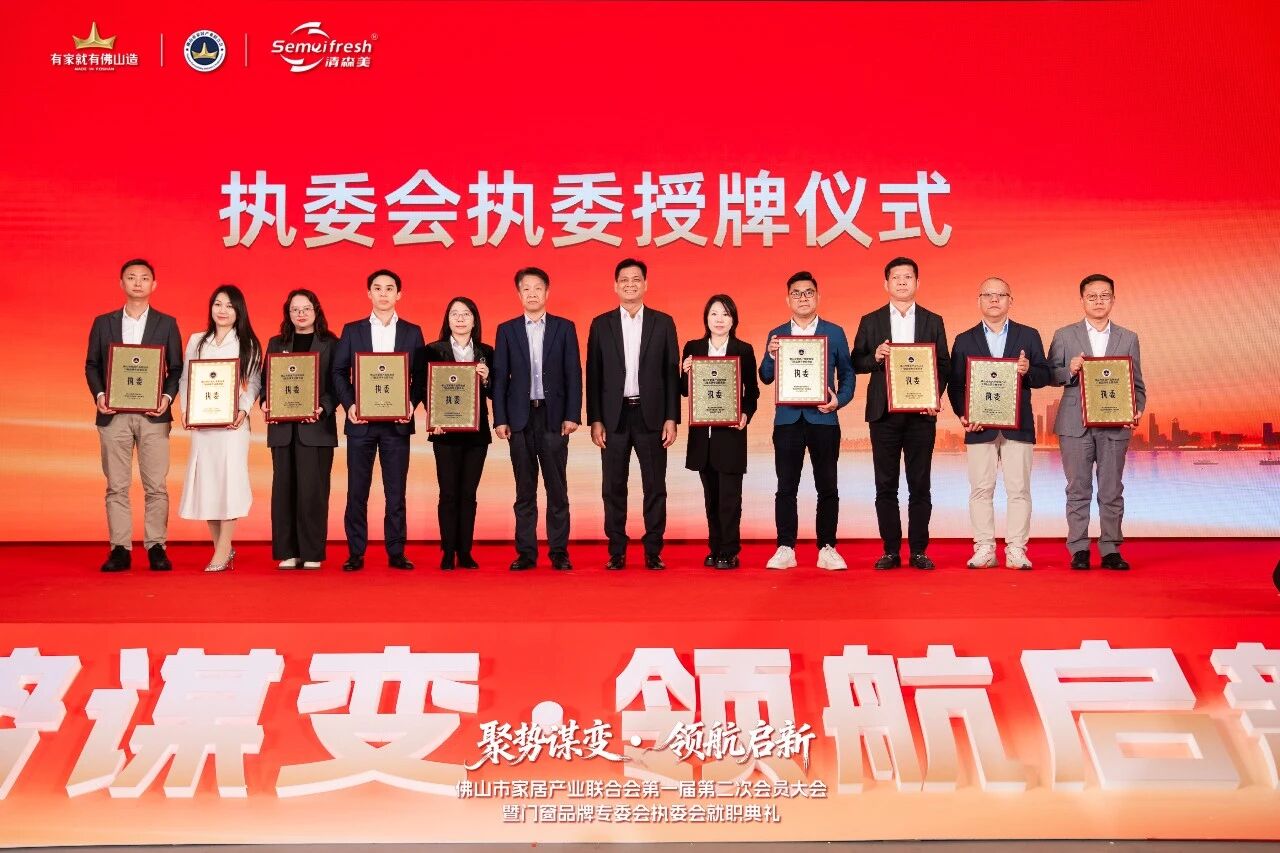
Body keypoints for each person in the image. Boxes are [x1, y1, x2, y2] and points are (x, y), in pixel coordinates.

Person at [852, 257, 951, 570]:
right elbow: (856, 361)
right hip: (883, 414)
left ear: (917, 282)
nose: (902, 282)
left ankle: (919, 550)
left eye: (908, 277)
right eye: (896, 277)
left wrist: (934, 396)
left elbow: (944, 364)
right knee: (886, 484)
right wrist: (875, 356)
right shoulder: (871, 320)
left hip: (921, 413)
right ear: (886, 283)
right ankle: (891, 550)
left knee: (920, 484)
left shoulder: (933, 320)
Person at [85, 259, 183, 572]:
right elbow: (92, 364)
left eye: (144, 278)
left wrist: (166, 398)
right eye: (131, 277)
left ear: (154, 285)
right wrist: (100, 396)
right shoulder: (104, 323)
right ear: (121, 283)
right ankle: (119, 549)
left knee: (156, 486)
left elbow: (176, 368)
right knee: (116, 485)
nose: (138, 283)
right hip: (113, 414)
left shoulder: (167, 323)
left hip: (154, 415)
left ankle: (156, 547)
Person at [947, 278, 1051, 570]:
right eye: (988, 295)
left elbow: (1044, 375)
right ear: (979, 300)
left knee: (1019, 490)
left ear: (1010, 300)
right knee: (981, 490)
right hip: (979, 427)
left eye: (1001, 295)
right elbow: (955, 384)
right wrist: (963, 414)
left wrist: (1029, 369)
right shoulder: (964, 339)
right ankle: (984, 548)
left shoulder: (1028, 335)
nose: (994, 300)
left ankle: (1016, 549)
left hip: (1018, 426)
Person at [585, 258, 680, 570]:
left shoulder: (663, 323)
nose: (630, 284)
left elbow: (671, 374)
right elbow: (593, 375)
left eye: (636, 279)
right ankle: (617, 551)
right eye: (624, 280)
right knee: (613, 487)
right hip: (614, 418)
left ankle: (653, 550)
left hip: (652, 416)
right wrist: (595, 419)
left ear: (645, 284)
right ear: (615, 286)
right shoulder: (601, 324)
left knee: (655, 486)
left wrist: (671, 417)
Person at [1048, 273, 1146, 570]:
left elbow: (1137, 384)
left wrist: (1136, 409)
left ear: (1113, 299)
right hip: (1074, 424)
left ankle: (1111, 549)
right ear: (1082, 300)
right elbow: (1049, 375)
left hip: (1115, 423)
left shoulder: (1128, 337)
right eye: (1092, 296)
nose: (1098, 301)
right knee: (1077, 489)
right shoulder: (1064, 335)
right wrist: (1069, 369)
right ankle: (1079, 549)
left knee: (1111, 489)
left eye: (1105, 296)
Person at [759, 272, 855, 570]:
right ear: (788, 299)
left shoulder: (834, 332)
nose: (803, 298)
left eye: (809, 292)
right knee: (786, 487)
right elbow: (765, 376)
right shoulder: (777, 334)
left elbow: (848, 373)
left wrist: (839, 400)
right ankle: (785, 547)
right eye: (797, 293)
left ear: (818, 297)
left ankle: (827, 547)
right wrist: (771, 355)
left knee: (827, 486)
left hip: (823, 419)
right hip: (787, 421)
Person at [331, 269, 425, 572]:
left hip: (397, 424)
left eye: (389, 288)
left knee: (395, 492)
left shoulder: (412, 332)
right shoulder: (352, 330)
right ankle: (355, 552)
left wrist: (410, 403)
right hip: (361, 423)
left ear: (399, 294)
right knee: (357, 490)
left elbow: (421, 376)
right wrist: (350, 404)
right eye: (377, 288)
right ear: (368, 293)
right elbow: (338, 371)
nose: (383, 293)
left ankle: (396, 551)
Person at [493, 267, 582, 572]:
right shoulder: (507, 330)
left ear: (547, 292)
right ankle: (526, 553)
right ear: (519, 294)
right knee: (524, 490)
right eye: (526, 288)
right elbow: (500, 378)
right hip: (519, 419)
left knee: (557, 489)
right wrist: (500, 418)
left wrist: (572, 414)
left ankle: (559, 552)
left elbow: (573, 374)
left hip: (554, 417)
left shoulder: (564, 328)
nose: (532, 293)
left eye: (538, 288)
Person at [177, 285, 263, 573]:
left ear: (239, 311)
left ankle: (223, 549)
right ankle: (222, 548)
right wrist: (186, 410)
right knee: (208, 484)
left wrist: (242, 409)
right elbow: (186, 379)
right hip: (203, 425)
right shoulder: (197, 340)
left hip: (232, 426)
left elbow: (254, 382)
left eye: (229, 305)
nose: (222, 310)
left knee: (229, 483)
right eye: (217, 304)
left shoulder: (248, 343)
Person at [681, 294, 760, 569]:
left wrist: (745, 414)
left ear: (733, 319)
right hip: (703, 437)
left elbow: (753, 392)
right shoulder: (693, 347)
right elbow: (684, 391)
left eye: (725, 314)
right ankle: (714, 548)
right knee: (711, 497)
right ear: (706, 318)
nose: (719, 319)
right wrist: (686, 372)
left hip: (731, 435)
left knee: (729, 498)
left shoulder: (743, 350)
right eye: (714, 313)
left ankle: (729, 550)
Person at [262, 289, 338, 569]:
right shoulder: (276, 343)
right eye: (295, 309)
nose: (301, 314)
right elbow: (266, 381)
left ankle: (312, 552)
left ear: (316, 310)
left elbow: (338, 383)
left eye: (306, 308)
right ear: (288, 313)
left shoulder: (331, 343)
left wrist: (323, 407)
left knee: (312, 491)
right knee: (284, 491)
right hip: (283, 429)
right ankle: (288, 551)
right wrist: (266, 401)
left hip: (316, 428)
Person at [423, 297, 493, 570]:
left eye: (466, 314)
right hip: (445, 433)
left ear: (475, 320)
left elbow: (497, 391)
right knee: (448, 493)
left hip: (476, 435)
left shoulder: (486, 352)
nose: (460, 318)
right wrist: (434, 418)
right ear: (447, 319)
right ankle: (447, 550)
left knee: (468, 494)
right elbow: (424, 389)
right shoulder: (432, 350)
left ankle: (465, 552)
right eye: (455, 313)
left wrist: (487, 379)